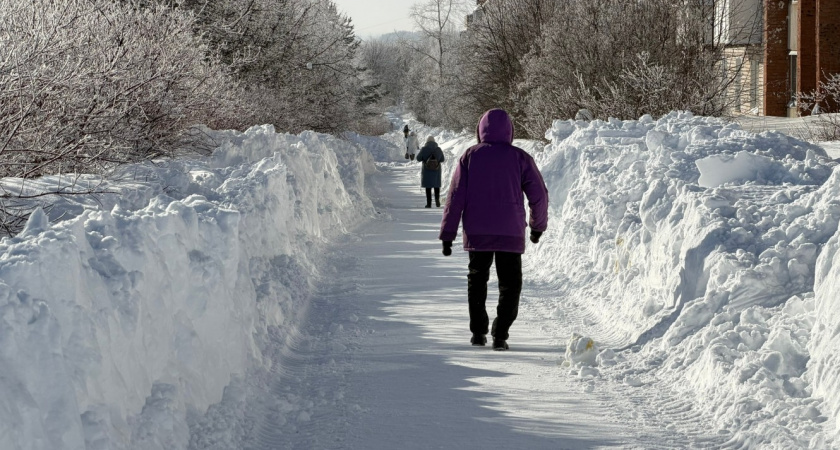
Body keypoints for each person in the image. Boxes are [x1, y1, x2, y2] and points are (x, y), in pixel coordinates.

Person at [438, 108, 549, 351]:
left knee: (477, 280)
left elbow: (455, 197)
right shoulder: (520, 158)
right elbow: (539, 195)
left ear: (480, 130)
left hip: (478, 232)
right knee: (510, 283)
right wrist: (537, 226)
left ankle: (478, 333)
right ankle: (501, 334)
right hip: (510, 231)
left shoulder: (470, 156)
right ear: (510, 131)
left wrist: (448, 234)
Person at [416, 136, 445, 208]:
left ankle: (429, 204)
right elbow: (442, 159)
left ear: (427, 141)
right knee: (436, 186)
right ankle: (437, 202)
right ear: (434, 141)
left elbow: (418, 158)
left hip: (427, 171)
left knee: (428, 187)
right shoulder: (438, 149)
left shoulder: (424, 149)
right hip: (436, 171)